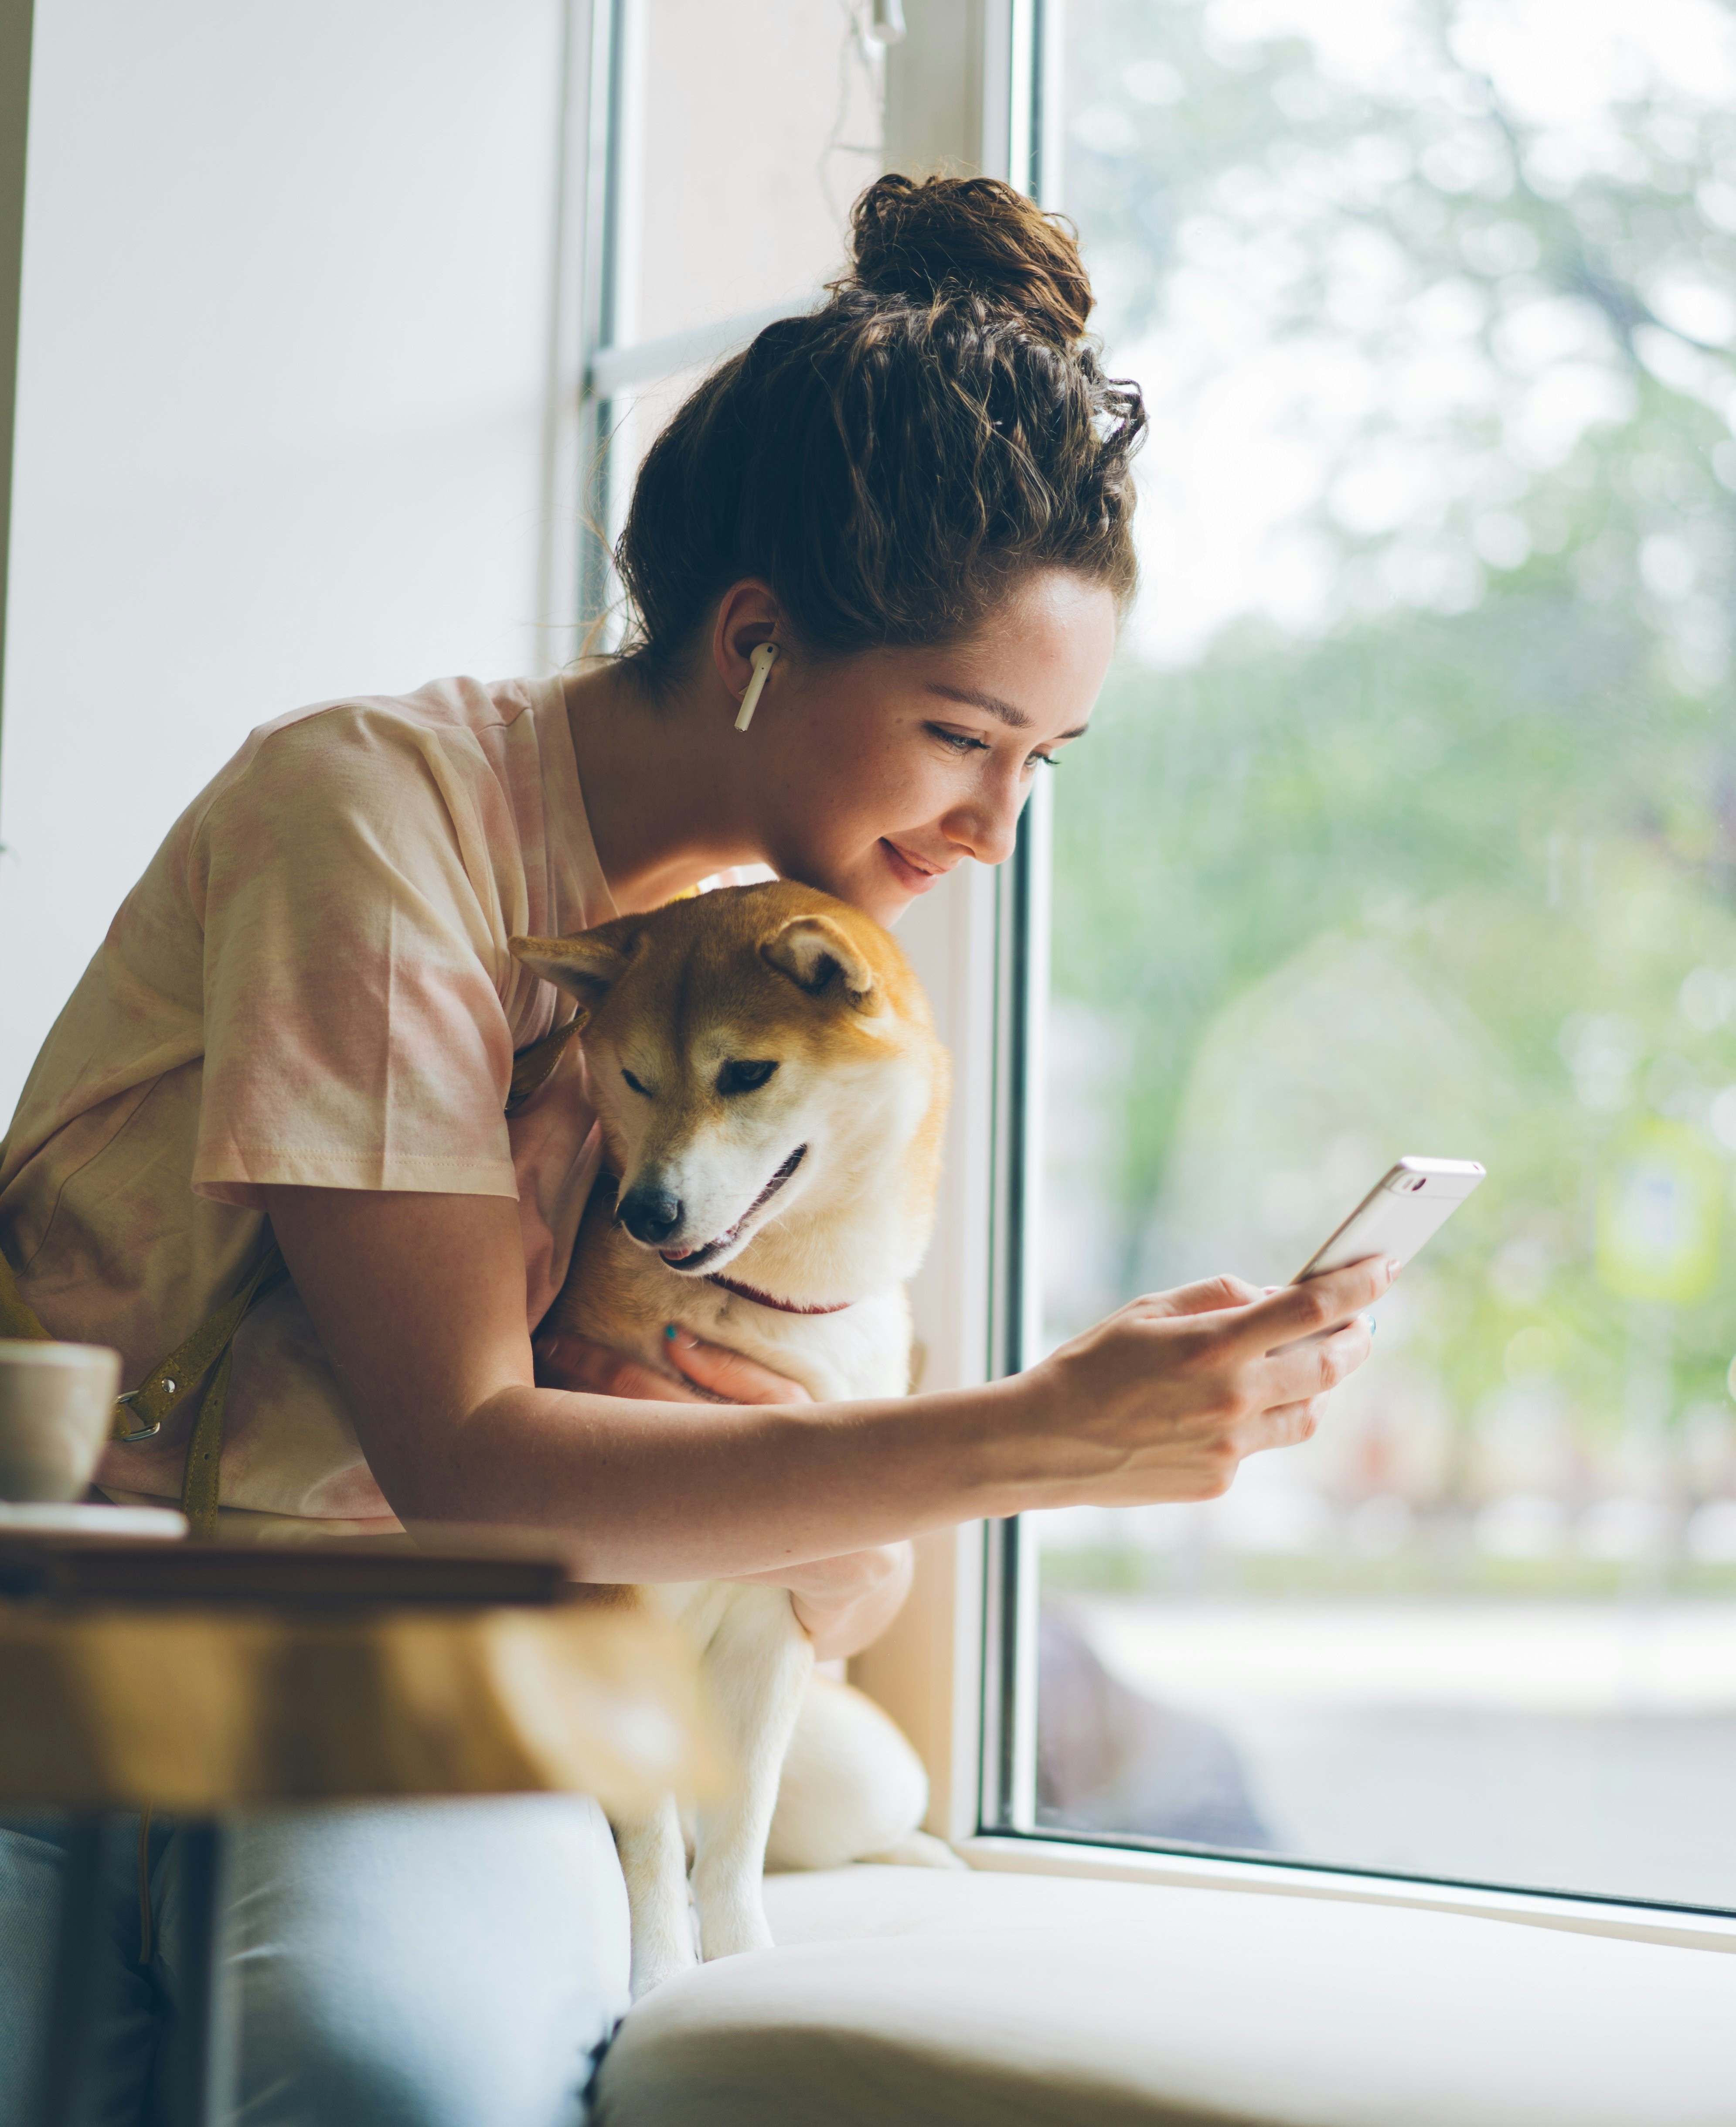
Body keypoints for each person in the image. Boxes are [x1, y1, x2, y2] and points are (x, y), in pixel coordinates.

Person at [0, 175, 1387, 2125]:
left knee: (409, 2065)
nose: (996, 824)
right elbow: (471, 1464)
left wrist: (847, 1529)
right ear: (752, 639)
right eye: (960, 736)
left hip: (429, 1653)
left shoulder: (752, 986)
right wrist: (1041, 1435)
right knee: (386, 2068)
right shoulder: (374, 814)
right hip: (111, 1615)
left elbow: (809, 1557)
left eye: (1039, 765)